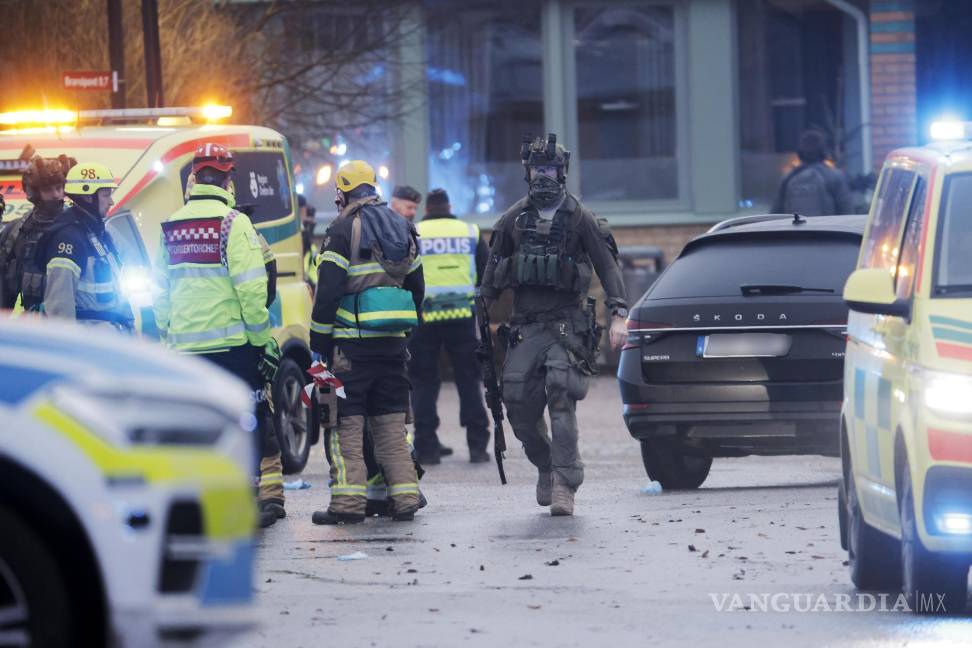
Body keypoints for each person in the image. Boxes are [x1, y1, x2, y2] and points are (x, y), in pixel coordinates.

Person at [480, 134, 628, 516]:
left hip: (566, 324)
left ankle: (565, 482)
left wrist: (619, 315)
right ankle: (545, 464)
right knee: (517, 407)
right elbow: (492, 276)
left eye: (549, 169)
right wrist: (479, 313)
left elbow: (608, 267)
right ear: (527, 173)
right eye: (536, 169)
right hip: (525, 325)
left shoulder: (580, 218)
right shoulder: (513, 219)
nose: (542, 176)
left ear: (562, 172)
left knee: (561, 396)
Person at [153, 143, 284, 528]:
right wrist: (263, 341)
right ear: (228, 180)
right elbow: (250, 289)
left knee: (199, 427)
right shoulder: (233, 223)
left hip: (186, 350)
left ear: (193, 178)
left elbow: (161, 292)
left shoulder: (172, 225)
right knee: (250, 420)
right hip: (234, 349)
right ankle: (245, 502)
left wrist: (168, 335)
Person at [309, 160, 424, 525]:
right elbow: (417, 288)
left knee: (345, 429)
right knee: (391, 427)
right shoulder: (403, 225)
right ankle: (405, 499)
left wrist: (318, 344)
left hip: (350, 350)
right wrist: (403, 333)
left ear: (342, 191)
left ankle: (347, 506)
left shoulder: (342, 228)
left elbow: (327, 292)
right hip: (392, 346)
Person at [408, 188, 491, 465]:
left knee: (423, 382)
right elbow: (486, 271)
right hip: (461, 315)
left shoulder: (414, 231)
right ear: (450, 206)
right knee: (468, 379)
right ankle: (478, 446)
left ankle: (427, 447)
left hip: (424, 317)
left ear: (427, 209)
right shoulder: (469, 231)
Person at [35, 162, 133, 330]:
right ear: (88, 197)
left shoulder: (99, 233)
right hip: (90, 343)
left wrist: (130, 327)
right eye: (106, 195)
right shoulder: (68, 240)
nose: (111, 201)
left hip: (111, 337)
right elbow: (59, 309)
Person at [0, 154, 74, 311]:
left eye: (59, 188)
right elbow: (4, 289)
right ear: (34, 193)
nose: (56, 195)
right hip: (35, 325)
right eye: (47, 190)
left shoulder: (79, 227)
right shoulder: (15, 232)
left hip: (74, 324)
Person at [771, 129, 854, 216]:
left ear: (800, 153)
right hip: (825, 228)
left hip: (796, 229)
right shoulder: (834, 176)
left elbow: (775, 213)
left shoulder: (788, 178)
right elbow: (846, 211)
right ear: (823, 151)